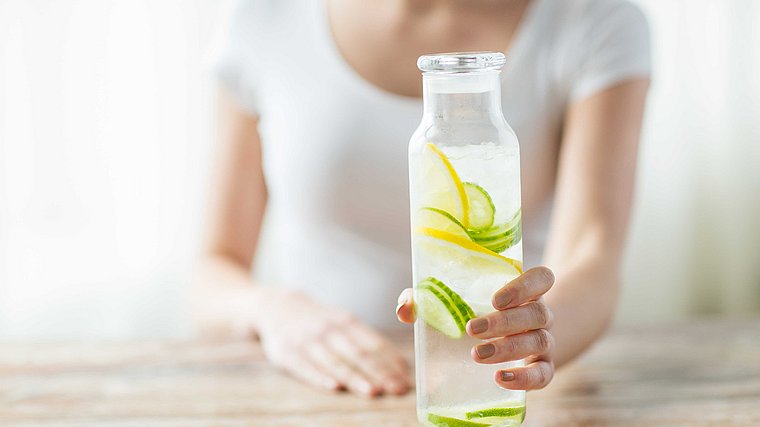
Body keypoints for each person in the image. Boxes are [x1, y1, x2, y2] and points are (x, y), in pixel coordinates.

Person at [191, 0, 651, 397]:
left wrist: (536, 335)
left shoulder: (592, 18)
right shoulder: (265, 16)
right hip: (315, 389)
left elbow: (591, 259)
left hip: (491, 383)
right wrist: (274, 313)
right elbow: (213, 270)